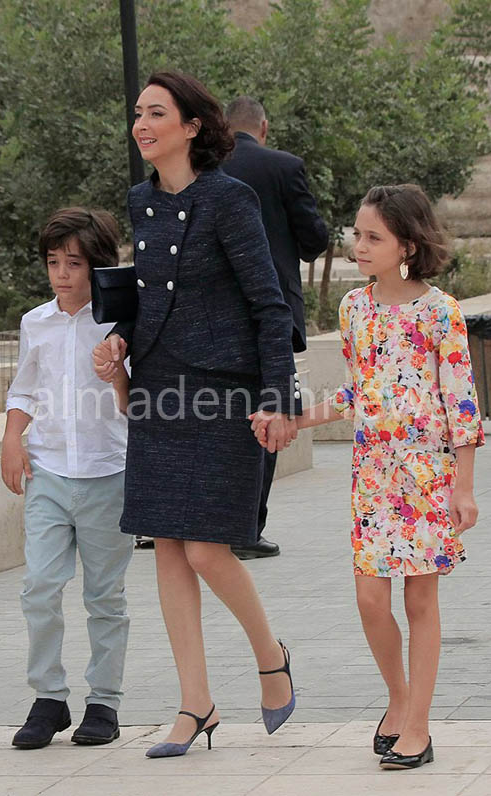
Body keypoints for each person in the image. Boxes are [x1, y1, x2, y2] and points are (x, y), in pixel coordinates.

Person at [93, 70, 301, 759]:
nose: (141, 124)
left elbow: (269, 304)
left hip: (224, 393)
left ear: (190, 126)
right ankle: (195, 703)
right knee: (167, 547)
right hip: (158, 389)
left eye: (156, 113)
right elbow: (148, 298)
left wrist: (277, 397)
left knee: (209, 547)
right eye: (137, 113)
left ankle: (270, 656)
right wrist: (120, 339)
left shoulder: (230, 199)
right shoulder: (141, 201)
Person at [251, 184, 484, 770]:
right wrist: (294, 420)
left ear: (407, 245)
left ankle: (419, 726)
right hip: (373, 478)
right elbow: (358, 392)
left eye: (373, 237)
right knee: (369, 598)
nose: (359, 245)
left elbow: (462, 405)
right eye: (357, 234)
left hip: (427, 476)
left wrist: (464, 487)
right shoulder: (354, 308)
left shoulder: (441, 312)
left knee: (421, 599)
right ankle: (398, 699)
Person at [1, 208, 133, 749]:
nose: (61, 273)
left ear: (96, 266)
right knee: (39, 587)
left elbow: (135, 404)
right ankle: (49, 698)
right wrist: (12, 439)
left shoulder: (119, 326)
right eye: (53, 262)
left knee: (104, 597)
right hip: (48, 472)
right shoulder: (35, 322)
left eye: (73, 263)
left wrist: (117, 374)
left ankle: (104, 702)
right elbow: (23, 389)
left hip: (109, 473)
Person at [224, 96, 329, 560]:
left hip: (213, 314)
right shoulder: (284, 167)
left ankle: (199, 523)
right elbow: (314, 240)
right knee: (270, 410)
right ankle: (247, 530)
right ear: (263, 128)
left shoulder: (201, 168)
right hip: (272, 310)